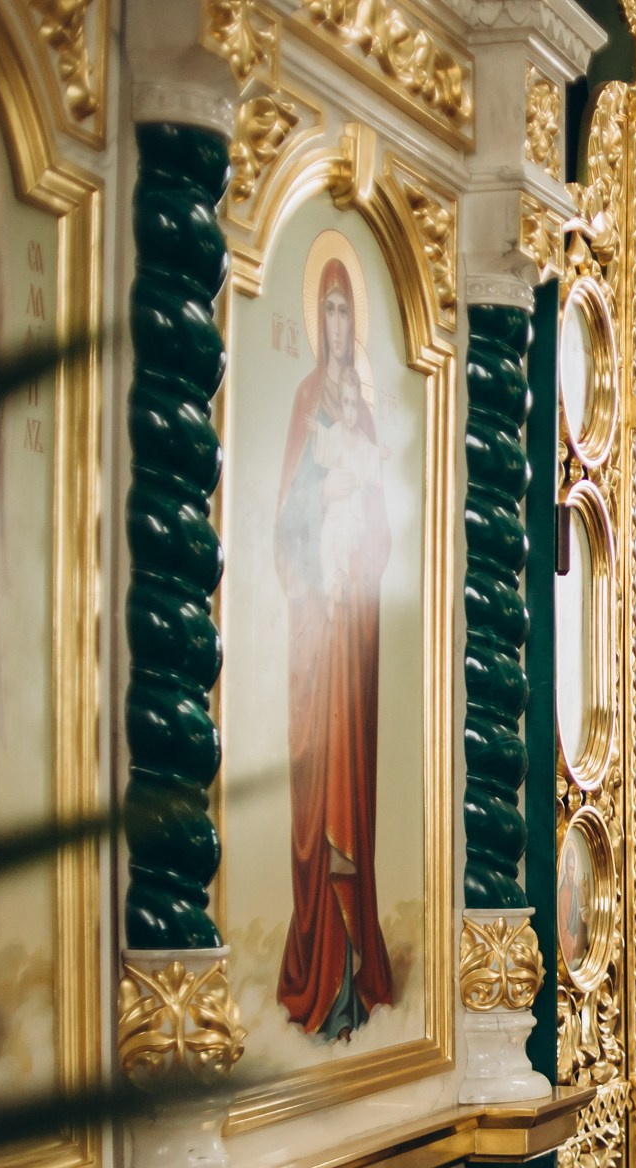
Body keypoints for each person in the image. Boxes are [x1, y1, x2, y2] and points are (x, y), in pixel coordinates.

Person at [275, 251, 396, 1039]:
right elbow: (284, 520)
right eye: (329, 312)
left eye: (347, 311)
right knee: (317, 781)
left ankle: (355, 973)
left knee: (354, 785)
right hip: (317, 623)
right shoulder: (305, 402)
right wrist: (328, 493)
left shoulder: (368, 415)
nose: (339, 325)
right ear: (317, 324)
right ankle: (318, 967)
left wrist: (363, 519)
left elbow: (386, 526)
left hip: (356, 624)